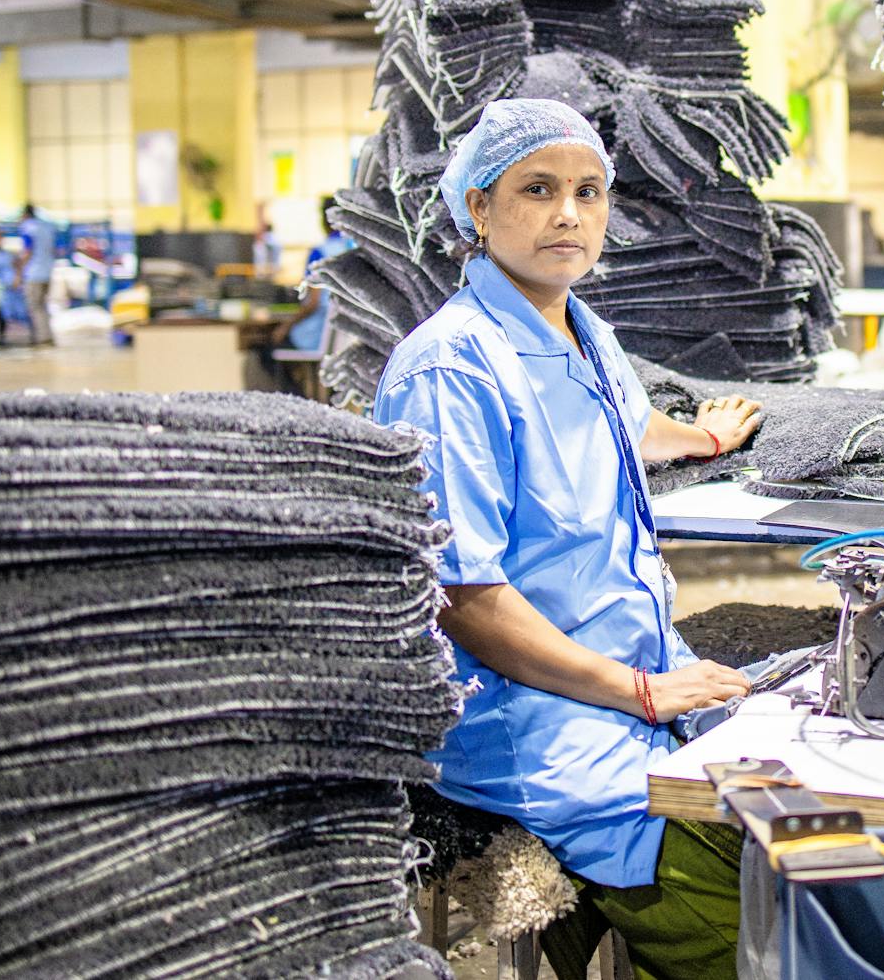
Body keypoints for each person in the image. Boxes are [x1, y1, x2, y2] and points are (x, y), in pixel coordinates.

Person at [374, 100, 765, 980]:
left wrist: (702, 438)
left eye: (589, 192)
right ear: (478, 207)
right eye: (538, 189)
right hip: (535, 723)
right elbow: (465, 601)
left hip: (630, 684)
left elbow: (631, 422)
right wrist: (639, 691)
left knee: (813, 829)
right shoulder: (452, 368)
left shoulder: (583, 331)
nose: (568, 214)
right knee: (762, 919)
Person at [275, 197, 352, 355]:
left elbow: (313, 304)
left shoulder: (320, 253)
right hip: (346, 337)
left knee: (270, 348)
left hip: (316, 335)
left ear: (324, 220)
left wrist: (285, 326)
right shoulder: (353, 249)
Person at [18, 204, 59, 346]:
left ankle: (43, 338)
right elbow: (54, 250)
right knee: (43, 305)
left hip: (33, 273)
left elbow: (27, 251)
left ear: (24, 215)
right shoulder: (47, 227)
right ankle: (49, 335)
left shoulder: (28, 228)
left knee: (35, 307)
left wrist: (19, 270)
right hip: (48, 272)